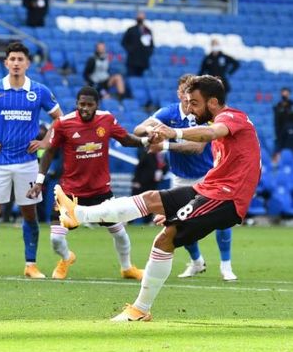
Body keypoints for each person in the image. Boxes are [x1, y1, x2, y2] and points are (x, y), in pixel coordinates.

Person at [55, 75, 260, 321]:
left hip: (227, 198)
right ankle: (79, 214)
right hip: (210, 188)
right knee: (152, 198)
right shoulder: (223, 127)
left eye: (195, 103)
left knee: (166, 238)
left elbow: (209, 133)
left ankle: (140, 309)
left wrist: (173, 132)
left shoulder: (230, 117)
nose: (190, 109)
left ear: (213, 102)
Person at [0, 41, 61, 279]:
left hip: (28, 163)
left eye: (20, 59)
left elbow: (60, 118)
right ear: (6, 63)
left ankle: (31, 265)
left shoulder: (39, 91)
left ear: (27, 63)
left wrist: (46, 141)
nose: (16, 63)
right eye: (12, 59)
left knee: (29, 213)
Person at [27, 86, 145, 280]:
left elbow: (126, 140)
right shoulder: (63, 123)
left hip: (101, 192)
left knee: (120, 233)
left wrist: (147, 142)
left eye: (89, 105)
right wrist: (39, 181)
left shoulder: (106, 119)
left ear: (97, 105)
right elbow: (49, 152)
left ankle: (127, 268)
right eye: (82, 104)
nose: (85, 108)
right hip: (70, 193)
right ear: (76, 104)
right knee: (56, 239)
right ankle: (66, 258)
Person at [135, 74, 237, 281]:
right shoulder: (170, 112)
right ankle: (197, 262)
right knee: (181, 222)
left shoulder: (205, 114)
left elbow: (197, 148)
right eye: (184, 92)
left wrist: (164, 144)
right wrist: (151, 130)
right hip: (180, 178)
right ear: (178, 93)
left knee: (222, 222)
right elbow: (138, 129)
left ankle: (226, 266)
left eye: (191, 94)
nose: (187, 97)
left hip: (207, 176)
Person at [121, 11, 154, 77]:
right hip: (132, 60)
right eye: (139, 17)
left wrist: (148, 53)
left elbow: (151, 45)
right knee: (131, 78)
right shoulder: (131, 30)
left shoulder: (147, 31)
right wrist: (130, 50)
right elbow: (124, 42)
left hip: (143, 60)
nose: (140, 19)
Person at [274, 87, 293, 160]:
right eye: (283, 93)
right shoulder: (277, 106)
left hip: (290, 132)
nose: (285, 95)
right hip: (280, 132)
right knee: (279, 150)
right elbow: (276, 120)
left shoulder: (291, 105)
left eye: (287, 93)